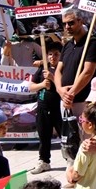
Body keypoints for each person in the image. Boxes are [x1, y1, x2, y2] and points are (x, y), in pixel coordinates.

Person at [56, 10, 96, 165]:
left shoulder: (92, 43)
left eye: (71, 22)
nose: (67, 26)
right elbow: (58, 71)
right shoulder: (67, 45)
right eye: (64, 24)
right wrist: (60, 90)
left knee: (85, 138)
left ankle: (86, 169)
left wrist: (72, 93)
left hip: (83, 102)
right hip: (66, 101)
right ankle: (72, 168)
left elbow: (88, 71)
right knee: (69, 138)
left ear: (80, 21)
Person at [28, 39, 62, 174]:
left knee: (65, 136)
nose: (52, 57)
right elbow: (31, 86)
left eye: (56, 54)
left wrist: (53, 79)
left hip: (58, 108)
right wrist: (42, 85)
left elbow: (64, 85)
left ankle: (71, 159)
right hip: (43, 108)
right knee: (44, 136)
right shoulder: (43, 69)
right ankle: (44, 161)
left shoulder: (61, 69)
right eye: (50, 54)